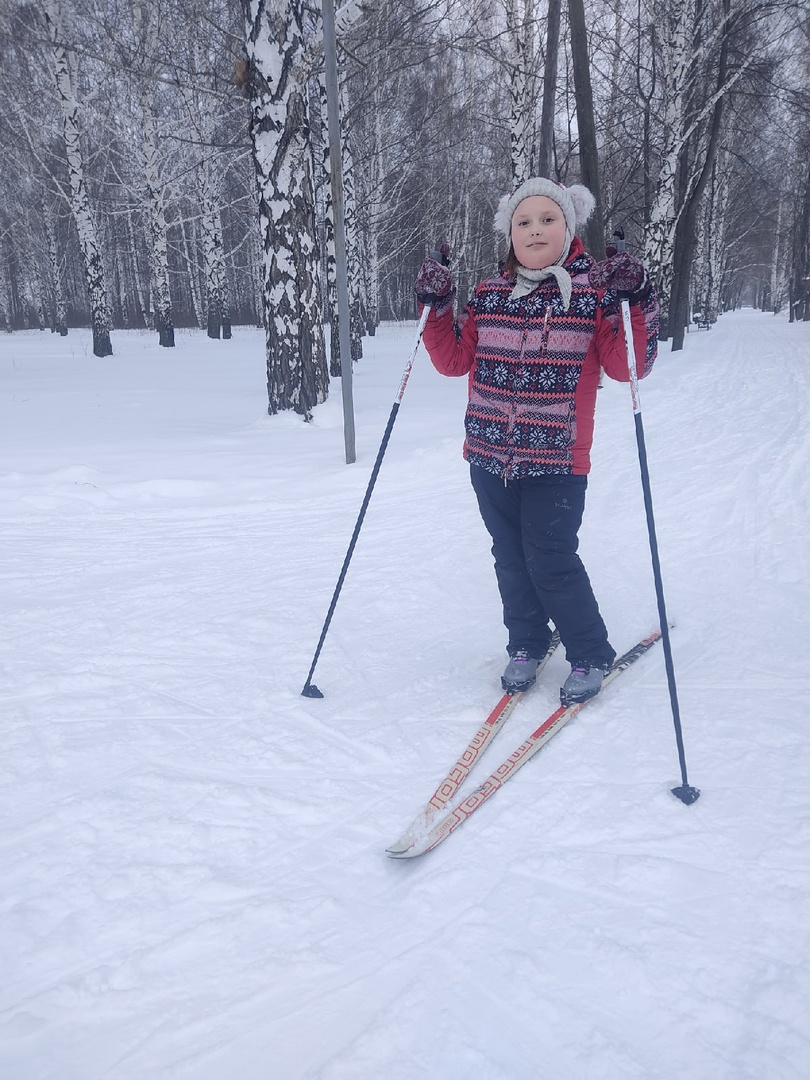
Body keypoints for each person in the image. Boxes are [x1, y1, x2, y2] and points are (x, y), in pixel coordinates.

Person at [414, 177, 659, 704]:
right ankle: (526, 642)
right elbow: (454, 361)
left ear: (569, 227)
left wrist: (634, 299)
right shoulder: (490, 293)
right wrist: (437, 309)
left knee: (550, 559)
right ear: (510, 233)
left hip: (557, 459)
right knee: (509, 557)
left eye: (548, 218)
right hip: (488, 455)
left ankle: (590, 651)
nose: (535, 229)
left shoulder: (595, 294)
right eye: (523, 221)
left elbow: (625, 367)